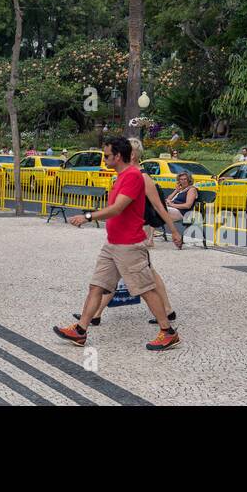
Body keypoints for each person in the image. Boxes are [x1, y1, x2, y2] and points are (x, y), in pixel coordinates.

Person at [54, 136, 182, 351]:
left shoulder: (133, 176)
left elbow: (117, 209)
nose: (104, 160)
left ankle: (168, 332)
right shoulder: (120, 176)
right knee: (96, 286)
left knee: (146, 289)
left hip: (129, 245)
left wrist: (87, 217)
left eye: (107, 156)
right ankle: (81, 331)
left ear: (118, 156)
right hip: (112, 244)